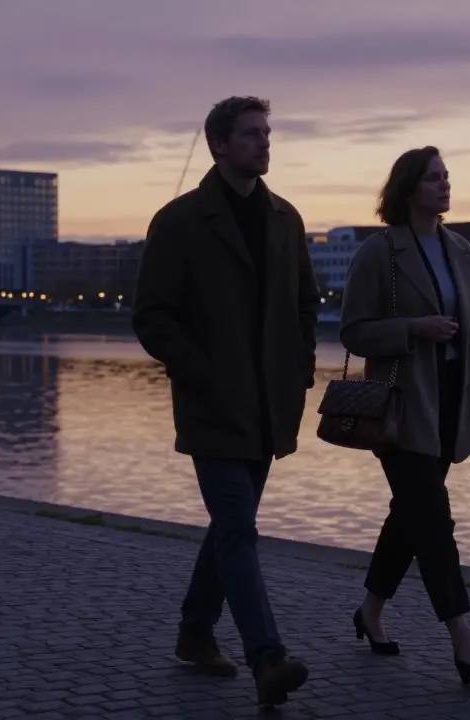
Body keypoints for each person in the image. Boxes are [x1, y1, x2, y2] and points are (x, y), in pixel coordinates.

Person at [131, 96, 320, 707]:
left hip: (269, 405)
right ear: (218, 144)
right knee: (239, 527)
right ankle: (267, 657)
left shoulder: (286, 219)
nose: (264, 143)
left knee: (229, 527)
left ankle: (193, 633)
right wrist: (200, 371)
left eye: (267, 133)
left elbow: (304, 304)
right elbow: (152, 317)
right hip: (213, 404)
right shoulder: (180, 220)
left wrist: (300, 372)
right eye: (250, 135)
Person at [338, 146, 470, 685]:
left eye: (447, 177)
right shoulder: (380, 251)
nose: (444, 186)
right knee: (433, 517)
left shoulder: (461, 249)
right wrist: (413, 328)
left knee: (411, 514)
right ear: (408, 187)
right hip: (401, 404)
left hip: (452, 400)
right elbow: (353, 331)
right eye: (433, 178)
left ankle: (369, 611)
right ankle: (463, 638)